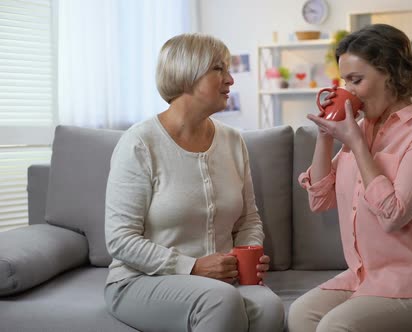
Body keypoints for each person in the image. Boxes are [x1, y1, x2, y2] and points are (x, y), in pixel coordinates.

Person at [288, 24, 412, 332]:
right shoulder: (363, 129)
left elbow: (393, 215)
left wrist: (356, 144)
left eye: (357, 80)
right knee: (300, 314)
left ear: (392, 74)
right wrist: (325, 135)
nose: (349, 91)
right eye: (345, 81)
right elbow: (319, 200)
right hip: (366, 274)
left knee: (335, 327)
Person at [103, 33, 284, 332]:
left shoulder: (232, 140)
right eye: (218, 69)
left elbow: (248, 219)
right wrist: (193, 267)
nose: (230, 80)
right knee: (220, 300)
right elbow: (121, 239)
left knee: (268, 308)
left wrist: (246, 255)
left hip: (220, 281)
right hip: (142, 280)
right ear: (187, 74)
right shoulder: (140, 142)